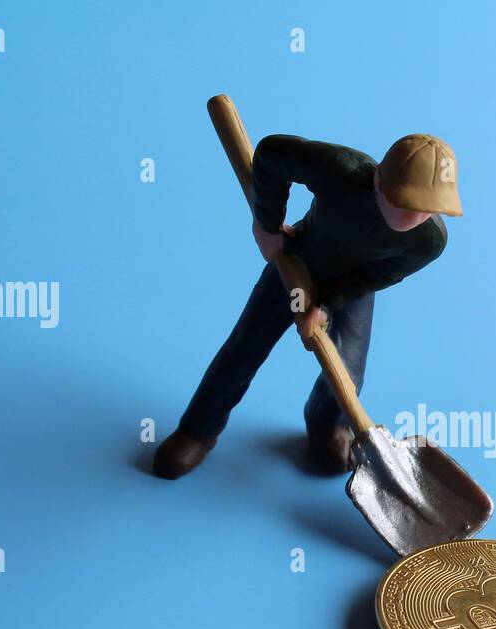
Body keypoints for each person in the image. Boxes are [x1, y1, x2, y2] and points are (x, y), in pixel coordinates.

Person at [153, 132, 462, 478]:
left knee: (347, 373)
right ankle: (197, 430)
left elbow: (380, 275)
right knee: (244, 349)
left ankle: (327, 427)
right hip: (297, 263)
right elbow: (271, 154)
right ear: (378, 182)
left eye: (429, 209)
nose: (416, 218)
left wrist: (326, 303)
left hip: (351, 288)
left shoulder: (428, 242)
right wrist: (267, 225)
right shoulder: (342, 171)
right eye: (407, 204)